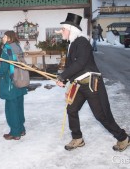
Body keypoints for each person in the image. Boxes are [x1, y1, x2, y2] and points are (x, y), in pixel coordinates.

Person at [56, 13, 130, 152]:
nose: (61, 32)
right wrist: (64, 79)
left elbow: (80, 63)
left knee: (101, 115)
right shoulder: (72, 44)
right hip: (79, 85)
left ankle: (123, 137)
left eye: (63, 29)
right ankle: (77, 138)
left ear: (71, 29)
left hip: (91, 84)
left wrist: (63, 75)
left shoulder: (82, 42)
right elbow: (71, 66)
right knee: (71, 109)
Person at [0, 31, 27, 140]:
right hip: (20, 81)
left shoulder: (7, 49)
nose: (3, 38)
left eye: (4, 36)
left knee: (11, 109)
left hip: (11, 83)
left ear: (9, 38)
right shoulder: (17, 47)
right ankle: (21, 129)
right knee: (19, 107)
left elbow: (4, 69)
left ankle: (15, 133)